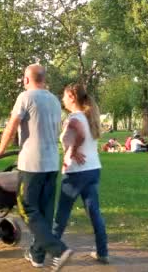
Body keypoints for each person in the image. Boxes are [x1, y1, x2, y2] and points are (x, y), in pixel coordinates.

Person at [0, 64, 72, 270]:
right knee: (44, 211)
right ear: (44, 79)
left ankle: (59, 250)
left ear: (27, 79)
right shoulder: (55, 100)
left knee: (26, 207)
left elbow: (12, 125)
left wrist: (0, 149)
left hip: (32, 164)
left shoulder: (25, 97)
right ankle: (37, 256)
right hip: (51, 162)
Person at [53, 84, 109, 265]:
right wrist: (74, 147)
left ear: (71, 96)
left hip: (76, 172)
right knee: (94, 213)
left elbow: (79, 136)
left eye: (64, 96)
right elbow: (83, 136)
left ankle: (53, 251)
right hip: (93, 170)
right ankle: (102, 252)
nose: (62, 99)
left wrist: (74, 149)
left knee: (61, 214)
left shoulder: (75, 117)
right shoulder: (89, 116)